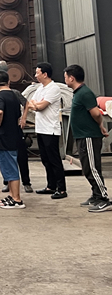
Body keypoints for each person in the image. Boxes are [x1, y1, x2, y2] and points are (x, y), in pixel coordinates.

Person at [63, 65, 111, 213]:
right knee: (87, 168)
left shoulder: (85, 93)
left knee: (92, 168)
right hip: (83, 136)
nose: (65, 80)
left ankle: (103, 199)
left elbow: (96, 113)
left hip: (88, 136)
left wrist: (100, 126)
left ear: (72, 78)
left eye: (65, 77)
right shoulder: (78, 93)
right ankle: (96, 195)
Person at [29, 62, 67, 199]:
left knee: (54, 160)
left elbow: (40, 107)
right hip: (40, 128)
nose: (35, 75)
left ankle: (61, 189)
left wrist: (37, 105)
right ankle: (51, 186)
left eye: (37, 73)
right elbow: (31, 103)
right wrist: (36, 105)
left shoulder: (53, 88)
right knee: (45, 159)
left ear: (45, 74)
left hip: (50, 130)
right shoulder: (40, 88)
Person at [0, 71, 26, 209]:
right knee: (8, 168)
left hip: (4, 137)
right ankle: (12, 195)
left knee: (10, 168)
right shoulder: (14, 95)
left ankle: (17, 199)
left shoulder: (0, 96)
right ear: (8, 82)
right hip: (13, 134)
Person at [0, 87, 31, 193]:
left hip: (14, 129)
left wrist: (24, 118)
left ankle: (26, 182)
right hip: (1, 131)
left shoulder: (14, 93)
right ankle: (7, 182)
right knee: (5, 159)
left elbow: (26, 104)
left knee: (21, 156)